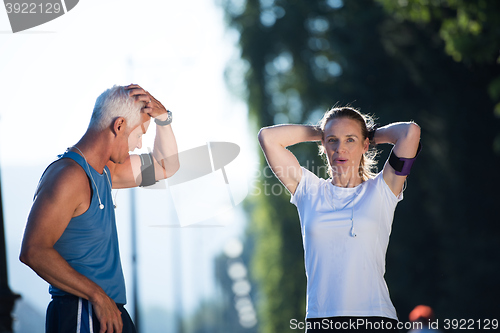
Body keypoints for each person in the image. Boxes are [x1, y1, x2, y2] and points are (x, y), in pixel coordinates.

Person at [19, 84, 179, 333]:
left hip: (106, 310)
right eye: (138, 136)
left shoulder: (105, 172)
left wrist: (163, 119)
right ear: (119, 126)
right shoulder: (69, 177)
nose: (137, 146)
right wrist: (97, 296)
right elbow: (33, 251)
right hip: (83, 310)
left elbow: (166, 167)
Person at [258, 106, 421, 332]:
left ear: (365, 145)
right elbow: (268, 137)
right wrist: (321, 131)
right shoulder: (308, 190)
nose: (340, 148)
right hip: (321, 321)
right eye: (332, 140)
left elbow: (409, 132)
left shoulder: (384, 189)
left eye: (350, 140)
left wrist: (368, 134)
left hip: (375, 319)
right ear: (323, 145)